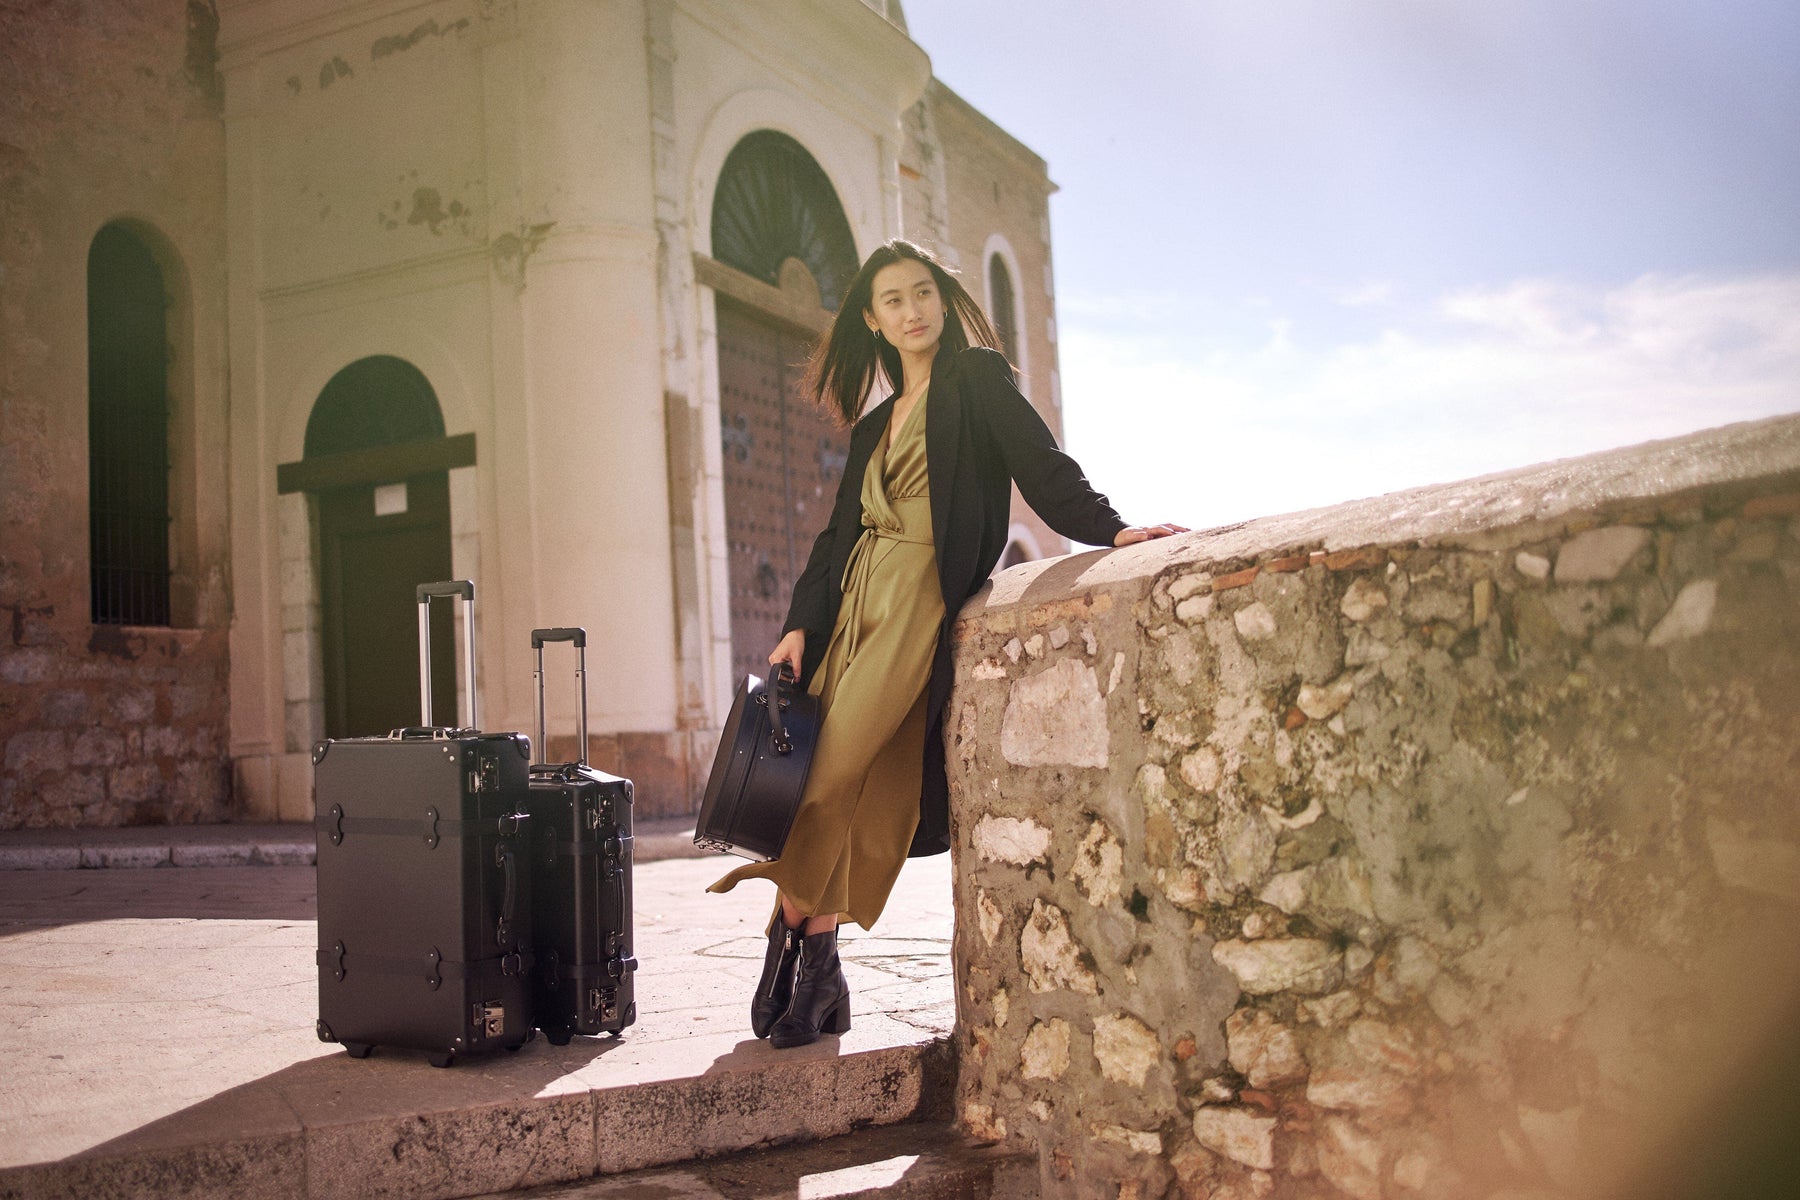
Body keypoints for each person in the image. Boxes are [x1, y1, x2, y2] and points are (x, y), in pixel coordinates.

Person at [708, 239, 1186, 1048]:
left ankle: (789, 944)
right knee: (832, 787)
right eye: (892, 299)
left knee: (825, 781)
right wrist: (799, 622)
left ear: (942, 298)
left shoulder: (977, 380)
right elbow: (837, 535)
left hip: (917, 602)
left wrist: (1113, 528)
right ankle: (815, 962)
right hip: (855, 604)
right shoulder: (871, 428)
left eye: (922, 292)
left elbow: (1043, 468)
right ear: (873, 319)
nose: (912, 309)